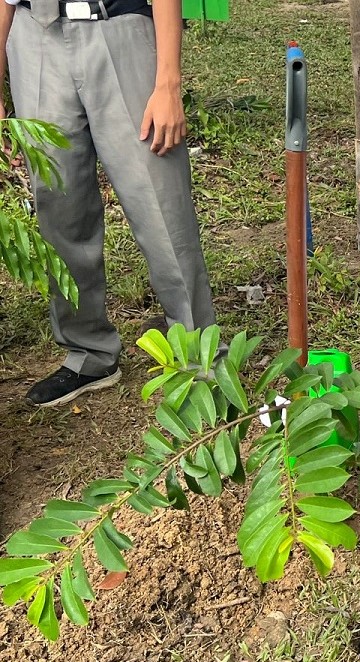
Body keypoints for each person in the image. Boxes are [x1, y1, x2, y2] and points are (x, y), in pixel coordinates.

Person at [0, 0, 217, 408]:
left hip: (120, 30)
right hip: (35, 38)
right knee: (59, 209)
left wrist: (168, 83)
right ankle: (88, 353)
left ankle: (198, 359)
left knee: (160, 205)